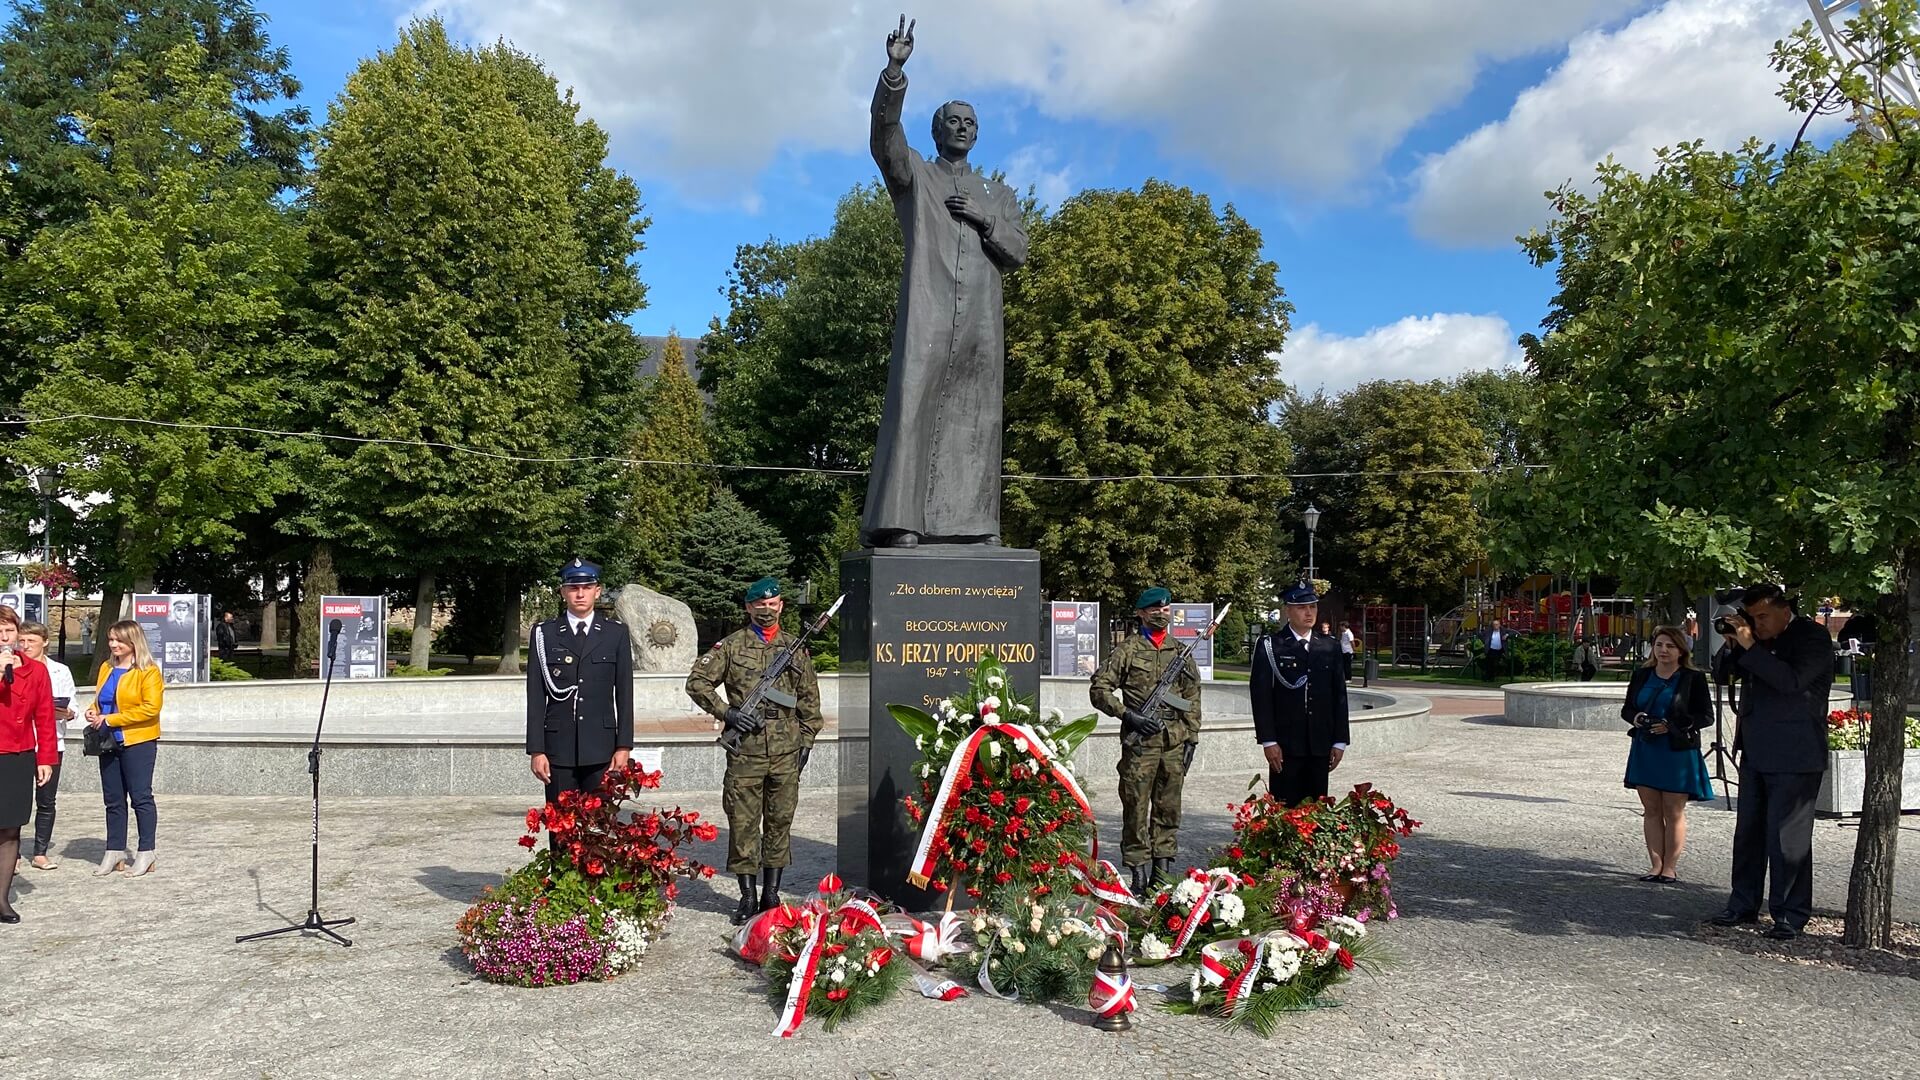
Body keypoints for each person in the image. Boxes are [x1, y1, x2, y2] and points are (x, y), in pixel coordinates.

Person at [859, 16, 1030, 547]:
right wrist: (894, 72)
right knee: (914, 405)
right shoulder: (917, 175)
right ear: (938, 131)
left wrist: (984, 218)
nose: (961, 127)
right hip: (928, 307)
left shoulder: (998, 194)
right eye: (953, 120)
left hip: (982, 314)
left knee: (977, 417)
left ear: (977, 134)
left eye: (969, 122)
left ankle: (976, 527)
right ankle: (902, 523)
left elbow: (1019, 252)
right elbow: (885, 139)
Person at [686, 577, 823, 923]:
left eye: (772, 603)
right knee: (744, 824)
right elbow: (697, 683)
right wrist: (727, 712)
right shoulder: (730, 647)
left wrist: (806, 741)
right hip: (745, 751)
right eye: (759, 605)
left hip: (786, 751)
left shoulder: (796, 648)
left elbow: (809, 701)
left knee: (779, 821)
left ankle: (771, 894)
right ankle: (747, 896)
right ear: (748, 607)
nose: (766, 610)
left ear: (782, 606)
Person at [1710, 584, 1833, 940]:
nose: (1757, 623)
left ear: (1785, 610)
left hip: (1796, 753)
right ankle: (1742, 903)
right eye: (1752, 617)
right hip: (1756, 750)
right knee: (1748, 834)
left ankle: (1789, 914)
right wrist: (1733, 644)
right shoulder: (1754, 639)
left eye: (1763, 616)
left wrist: (1750, 645)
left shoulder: (1811, 637)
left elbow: (1789, 681)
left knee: (1787, 839)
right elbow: (1721, 676)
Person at [1090, 587, 1202, 895]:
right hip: (1141, 745)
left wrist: (1191, 736)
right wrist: (1128, 716)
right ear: (1141, 613)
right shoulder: (1127, 650)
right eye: (1155, 609)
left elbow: (1191, 697)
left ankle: (1162, 875)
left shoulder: (1181, 652)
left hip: (1173, 743)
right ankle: (1138, 875)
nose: (1162, 613)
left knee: (1169, 809)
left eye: (1166, 609)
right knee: (1136, 808)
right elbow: (1099, 690)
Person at [526, 559, 634, 841]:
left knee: (599, 827)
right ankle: (561, 884)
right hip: (558, 748)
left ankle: (597, 884)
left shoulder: (615, 634)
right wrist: (537, 750)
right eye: (573, 587)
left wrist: (623, 745)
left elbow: (624, 693)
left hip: (601, 747)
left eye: (587, 587)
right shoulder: (545, 634)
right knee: (561, 828)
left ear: (598, 591)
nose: (580, 594)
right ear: (563, 592)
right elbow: (536, 697)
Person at [1620, 626, 1714, 884]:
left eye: (1670, 646)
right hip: (1646, 747)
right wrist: (1637, 718)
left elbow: (1706, 716)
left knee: (1673, 811)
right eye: (1659, 644)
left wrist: (1672, 726)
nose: (1663, 650)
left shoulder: (1692, 678)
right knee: (1651, 809)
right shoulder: (1642, 675)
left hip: (1676, 752)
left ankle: (1670, 867)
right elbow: (1628, 708)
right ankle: (1655, 865)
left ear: (1681, 651)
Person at [1250, 582, 1350, 806]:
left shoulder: (1329, 646)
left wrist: (1340, 740)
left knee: (1316, 811)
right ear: (1288, 610)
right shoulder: (1271, 646)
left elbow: (1339, 696)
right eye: (1302, 607)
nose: (1309, 613)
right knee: (1285, 811)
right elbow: (1261, 696)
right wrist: (1268, 740)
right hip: (1286, 745)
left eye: (1313, 607)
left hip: (1319, 743)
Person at [86, 620, 163, 877]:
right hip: (107, 740)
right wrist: (93, 710)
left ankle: (146, 851)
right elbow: (103, 698)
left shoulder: (148, 671)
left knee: (140, 797)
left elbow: (151, 709)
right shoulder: (107, 667)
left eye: (119, 640)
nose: (114, 645)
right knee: (113, 800)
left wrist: (111, 719)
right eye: (111, 639)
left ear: (133, 642)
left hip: (137, 741)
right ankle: (114, 849)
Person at [0, 606, 58, 921]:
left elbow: (45, 716)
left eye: (9, 631)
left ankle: (2, 899)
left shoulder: (35, 671)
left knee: (10, 829)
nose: (4, 638)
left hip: (20, 756)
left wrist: (46, 758)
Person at [17, 622, 75, 870]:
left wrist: (67, 712)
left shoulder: (60, 671)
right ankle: (13, 853)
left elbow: (74, 705)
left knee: (46, 799)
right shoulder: (13, 666)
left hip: (51, 741)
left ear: (44, 642)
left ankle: (40, 851)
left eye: (31, 640)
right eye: (22, 640)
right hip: (20, 741)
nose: (26, 645)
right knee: (16, 799)